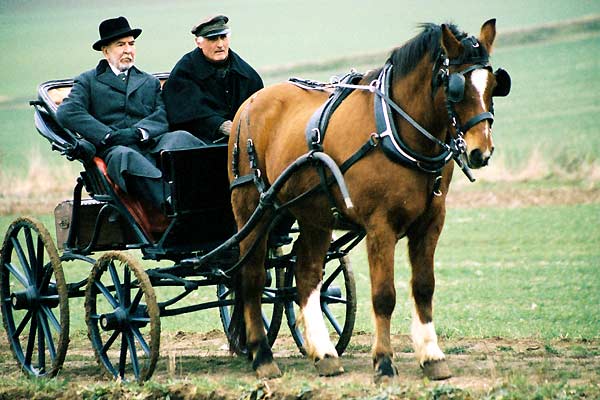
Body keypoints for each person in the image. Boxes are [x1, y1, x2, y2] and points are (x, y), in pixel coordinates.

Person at [56, 16, 203, 213]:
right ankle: (170, 202)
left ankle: (212, 192)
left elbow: (161, 115)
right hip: (113, 150)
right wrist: (107, 135)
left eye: (131, 44)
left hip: (149, 143)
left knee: (182, 138)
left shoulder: (149, 81)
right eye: (120, 45)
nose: (128, 50)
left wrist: (139, 132)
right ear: (105, 50)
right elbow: (68, 112)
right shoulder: (88, 81)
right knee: (125, 157)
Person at [163, 15, 264, 142]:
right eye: (212, 39)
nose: (220, 44)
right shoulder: (183, 72)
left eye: (223, 37)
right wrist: (220, 125)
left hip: (242, 141)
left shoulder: (247, 74)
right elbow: (184, 115)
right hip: (198, 145)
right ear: (198, 43)